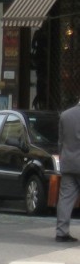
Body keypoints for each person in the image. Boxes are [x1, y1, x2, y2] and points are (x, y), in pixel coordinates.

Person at [55, 101, 80, 243]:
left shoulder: (65, 115)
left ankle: (61, 232)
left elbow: (60, 141)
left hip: (69, 162)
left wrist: (62, 157)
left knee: (65, 198)